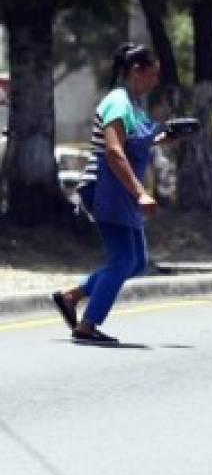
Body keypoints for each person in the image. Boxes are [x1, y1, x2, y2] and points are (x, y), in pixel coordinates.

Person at [50, 43, 170, 344]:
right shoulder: (118, 102)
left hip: (121, 191)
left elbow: (136, 142)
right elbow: (115, 152)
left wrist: (167, 138)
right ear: (136, 71)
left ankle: (72, 296)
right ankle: (88, 325)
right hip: (106, 189)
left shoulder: (133, 104)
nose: (155, 82)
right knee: (121, 260)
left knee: (137, 261)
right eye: (152, 75)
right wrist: (141, 193)